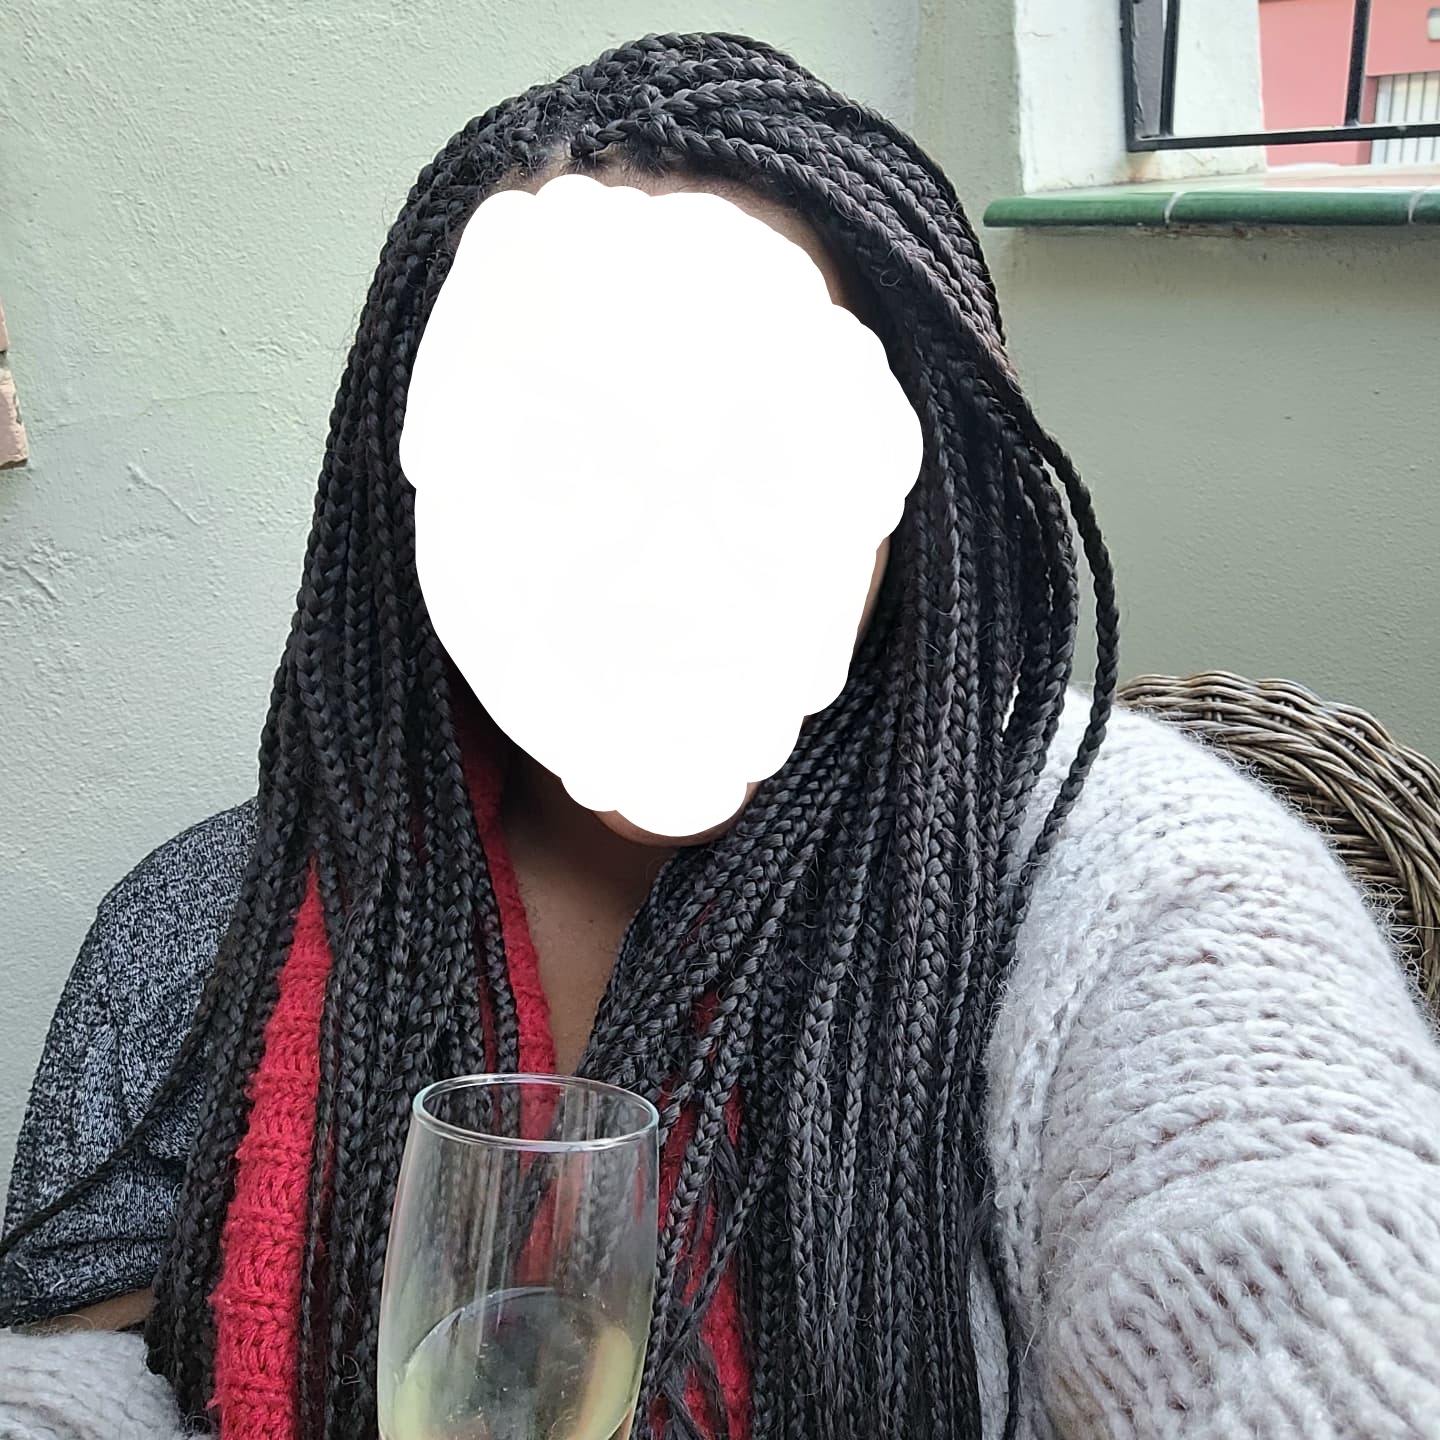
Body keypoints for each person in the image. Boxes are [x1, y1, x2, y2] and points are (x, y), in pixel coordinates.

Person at [3, 30, 1439, 1440]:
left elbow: (1290, 1263)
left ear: (911, 490)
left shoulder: (1123, 893)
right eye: (558, 459)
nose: (660, 567)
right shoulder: (201, 932)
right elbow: (88, 1361)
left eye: (764, 457)